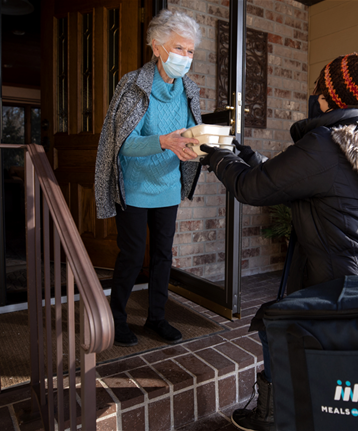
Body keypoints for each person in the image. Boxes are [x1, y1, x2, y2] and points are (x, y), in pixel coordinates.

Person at [200, 53, 358, 431]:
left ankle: (279, 415)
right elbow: (301, 180)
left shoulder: (326, 143)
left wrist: (217, 155)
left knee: (291, 338)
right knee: (294, 338)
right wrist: (245, 153)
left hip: (338, 283)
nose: (314, 94)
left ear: (330, 97)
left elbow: (251, 187)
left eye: (319, 88)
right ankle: (284, 413)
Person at [94, 9, 203, 347]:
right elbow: (122, 144)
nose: (185, 57)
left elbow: (188, 133)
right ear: (157, 47)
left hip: (168, 186)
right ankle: (116, 317)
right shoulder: (133, 85)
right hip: (136, 187)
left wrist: (194, 145)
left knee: (162, 255)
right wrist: (164, 141)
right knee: (131, 254)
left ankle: (157, 317)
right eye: (179, 48)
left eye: (190, 51)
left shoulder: (189, 89)